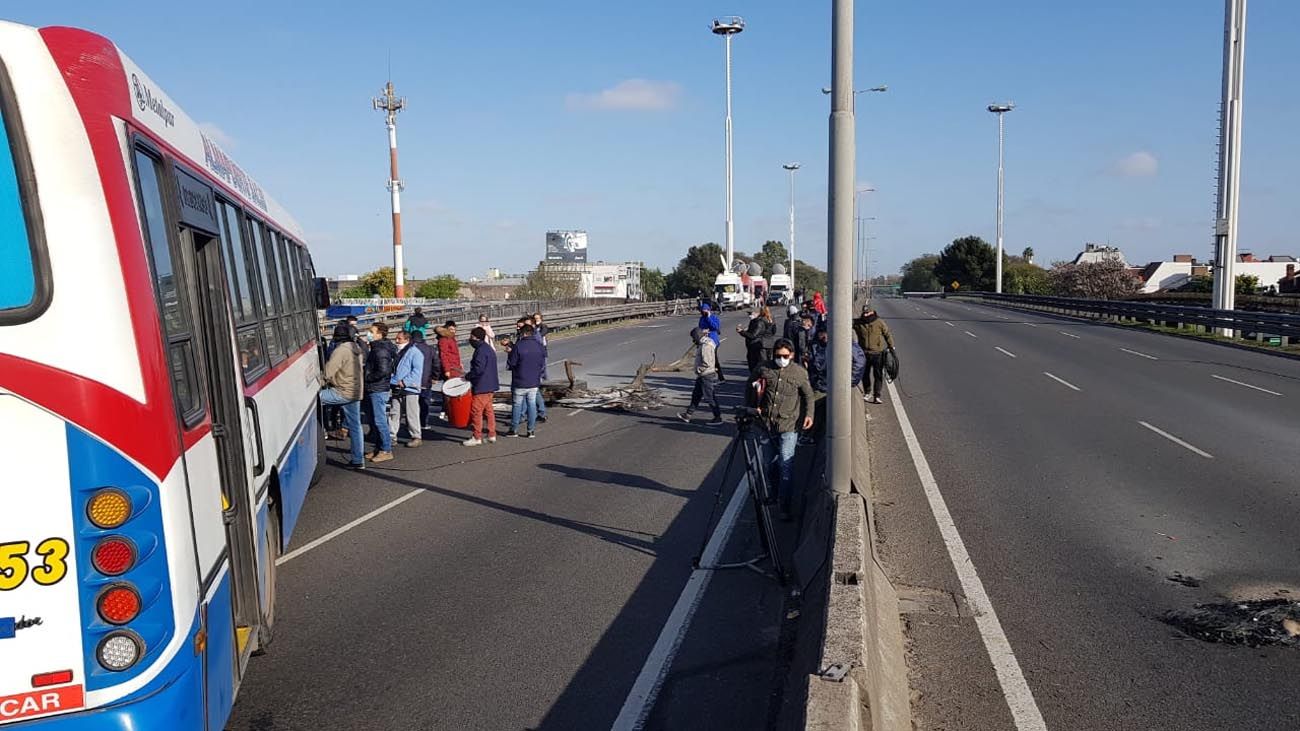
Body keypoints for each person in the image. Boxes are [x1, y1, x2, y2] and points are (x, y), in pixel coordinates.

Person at [750, 338, 814, 520]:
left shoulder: (799, 373)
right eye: (778, 356)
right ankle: (774, 492)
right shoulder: (763, 369)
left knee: (785, 464)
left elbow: (808, 396)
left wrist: (809, 415)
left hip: (789, 425)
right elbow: (750, 387)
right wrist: (752, 407)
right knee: (769, 464)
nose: (781, 359)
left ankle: (784, 505)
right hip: (766, 425)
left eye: (785, 356)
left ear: (791, 355)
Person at [320, 324, 366, 469]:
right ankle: (358, 460)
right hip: (355, 392)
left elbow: (327, 373)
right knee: (355, 426)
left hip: (342, 391)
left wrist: (317, 383)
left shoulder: (340, 351)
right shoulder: (356, 348)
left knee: (313, 398)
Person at [362, 322, 397, 463]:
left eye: (372, 331)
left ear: (380, 334)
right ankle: (379, 447)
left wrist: (367, 378)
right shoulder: (376, 348)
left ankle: (386, 450)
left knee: (380, 420)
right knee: (374, 420)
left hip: (378, 388)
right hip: (373, 388)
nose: (368, 334)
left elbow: (383, 371)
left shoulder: (381, 350)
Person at [506, 322, 545, 438]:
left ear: (523, 333)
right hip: (534, 380)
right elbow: (542, 363)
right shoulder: (539, 345)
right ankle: (531, 430)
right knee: (532, 404)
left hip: (520, 380)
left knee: (517, 405)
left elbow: (512, 363)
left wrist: (509, 353)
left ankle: (514, 429)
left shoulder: (518, 346)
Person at [677, 325, 723, 425]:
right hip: (703, 375)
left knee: (710, 397)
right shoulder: (705, 343)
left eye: (693, 338)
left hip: (706, 374)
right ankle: (688, 415)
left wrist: (698, 370)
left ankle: (717, 417)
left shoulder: (705, 346)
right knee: (696, 395)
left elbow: (707, 363)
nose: (693, 340)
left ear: (697, 336)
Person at [462, 326, 499, 446]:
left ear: (476, 337)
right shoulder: (488, 348)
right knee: (488, 411)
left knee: (476, 411)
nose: (470, 339)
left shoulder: (480, 351)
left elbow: (478, 369)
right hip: (490, 384)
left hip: (482, 385)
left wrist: (468, 376)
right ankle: (492, 434)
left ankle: (476, 436)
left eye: (471, 337)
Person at [853, 305, 895, 404]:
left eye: (867, 313)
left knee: (878, 375)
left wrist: (891, 346)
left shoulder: (879, 322)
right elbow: (845, 323)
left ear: (872, 312)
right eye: (864, 313)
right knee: (865, 374)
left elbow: (887, 334)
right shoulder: (858, 323)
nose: (866, 315)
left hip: (877, 353)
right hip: (864, 354)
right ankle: (867, 392)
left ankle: (877, 396)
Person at [389, 330, 425, 447]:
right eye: (396, 338)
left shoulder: (415, 353)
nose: (396, 341)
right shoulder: (397, 352)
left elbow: (417, 371)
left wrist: (405, 382)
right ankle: (391, 436)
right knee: (394, 413)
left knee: (411, 414)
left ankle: (416, 436)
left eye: (399, 339)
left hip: (410, 388)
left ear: (407, 339)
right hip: (396, 386)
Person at [409, 328, 440, 429]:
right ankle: (423, 423)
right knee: (425, 402)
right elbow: (436, 364)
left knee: (412, 404)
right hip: (426, 380)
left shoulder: (409, 348)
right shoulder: (430, 349)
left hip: (412, 381)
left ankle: (412, 424)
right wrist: (435, 376)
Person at [738, 306, 776, 373]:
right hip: (770, 344)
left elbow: (753, 335)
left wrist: (742, 332)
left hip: (761, 345)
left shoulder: (760, 322)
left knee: (760, 364)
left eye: (751, 313)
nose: (749, 315)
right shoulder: (771, 320)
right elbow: (774, 331)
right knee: (767, 363)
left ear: (758, 313)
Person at [697, 302, 725, 381]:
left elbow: (715, 327)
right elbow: (700, 328)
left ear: (708, 310)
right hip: (704, 341)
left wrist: (708, 318)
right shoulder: (701, 318)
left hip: (713, 341)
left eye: (704, 311)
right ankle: (706, 375)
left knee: (713, 359)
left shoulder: (714, 317)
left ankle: (721, 377)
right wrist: (702, 331)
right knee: (705, 359)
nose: (703, 313)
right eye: (702, 311)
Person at [533, 311, 550, 422]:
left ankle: (543, 384)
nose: (536, 320)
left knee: (542, 373)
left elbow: (541, 334)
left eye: (537, 318)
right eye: (535, 318)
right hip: (535, 351)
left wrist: (535, 328)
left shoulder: (543, 327)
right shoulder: (533, 328)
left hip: (541, 351)